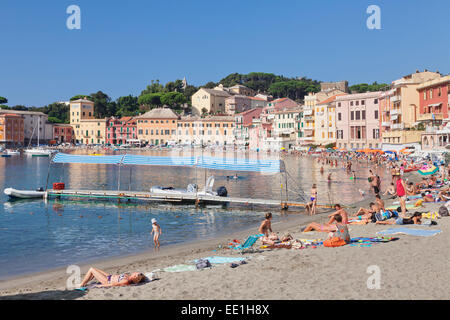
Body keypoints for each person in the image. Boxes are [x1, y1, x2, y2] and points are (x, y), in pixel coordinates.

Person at [79, 267, 145, 288]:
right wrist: (141, 275)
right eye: (137, 274)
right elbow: (142, 275)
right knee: (94, 271)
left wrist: (100, 285)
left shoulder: (126, 281)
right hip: (109, 276)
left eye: (137, 278)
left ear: (136, 281)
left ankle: (81, 284)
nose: (136, 276)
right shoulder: (128, 275)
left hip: (107, 281)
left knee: (91, 269)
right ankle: (85, 282)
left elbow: (113, 284)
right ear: (134, 272)